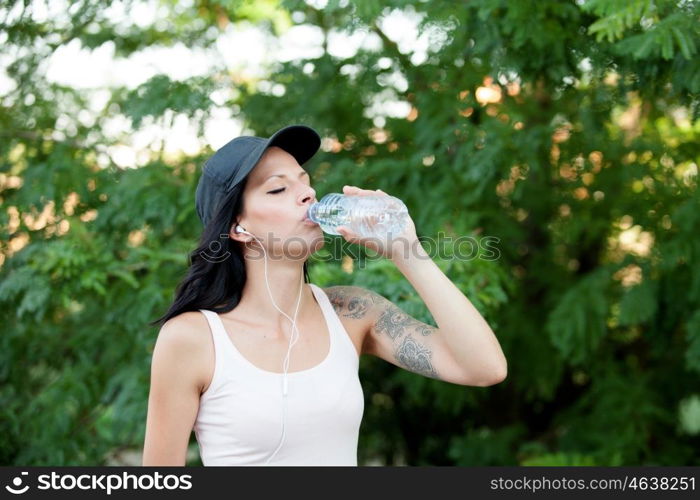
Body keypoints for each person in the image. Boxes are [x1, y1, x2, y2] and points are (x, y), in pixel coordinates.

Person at [142, 124, 507, 466]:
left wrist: (406, 250)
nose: (308, 193)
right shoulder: (193, 339)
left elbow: (484, 368)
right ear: (238, 227)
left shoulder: (351, 312)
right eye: (277, 189)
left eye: (305, 181)